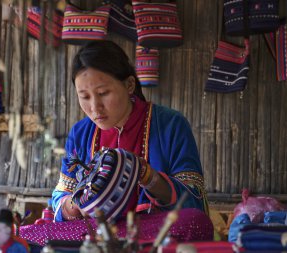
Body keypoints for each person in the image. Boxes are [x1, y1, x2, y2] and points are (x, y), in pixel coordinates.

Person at [51, 40, 208, 223]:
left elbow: (194, 200)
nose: (95, 107)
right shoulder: (80, 133)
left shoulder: (171, 125)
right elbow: (61, 194)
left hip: (156, 239)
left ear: (129, 85)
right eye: (84, 96)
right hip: (97, 240)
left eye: (103, 93)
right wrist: (76, 204)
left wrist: (147, 175)